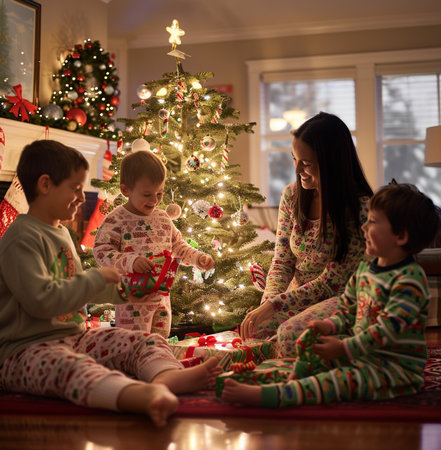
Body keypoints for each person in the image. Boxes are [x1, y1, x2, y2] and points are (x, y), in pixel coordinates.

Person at [0, 140, 220, 427]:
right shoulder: (21, 239)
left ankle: (166, 375)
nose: (82, 197)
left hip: (75, 337)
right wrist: (96, 278)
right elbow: (42, 300)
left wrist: (122, 292)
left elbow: (74, 285)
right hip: (26, 350)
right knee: (73, 369)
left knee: (143, 340)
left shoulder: (60, 233)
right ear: (45, 185)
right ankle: (137, 396)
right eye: (75, 188)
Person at [223, 183, 441, 408]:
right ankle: (292, 378)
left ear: (401, 236)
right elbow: (347, 311)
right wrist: (328, 326)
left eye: (373, 221)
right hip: (362, 355)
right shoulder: (366, 269)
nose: (364, 227)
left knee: (338, 381)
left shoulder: (409, 281)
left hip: (392, 369)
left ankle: (273, 397)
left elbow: (385, 331)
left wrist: (344, 348)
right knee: (310, 344)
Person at [241, 112, 373, 357]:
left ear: (331, 162)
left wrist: (275, 305)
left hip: (341, 299)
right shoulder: (292, 196)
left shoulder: (361, 208)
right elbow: (282, 261)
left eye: (307, 163)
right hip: (295, 298)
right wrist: (267, 303)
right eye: (294, 159)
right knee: (255, 330)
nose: (297, 169)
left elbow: (332, 281)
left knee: (291, 336)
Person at [93, 150, 214, 337]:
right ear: (126, 190)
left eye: (160, 193)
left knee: (160, 344)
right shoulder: (116, 219)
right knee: (134, 347)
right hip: (132, 301)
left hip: (161, 299)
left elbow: (178, 246)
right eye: (147, 194)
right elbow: (102, 252)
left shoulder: (163, 218)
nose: (155, 200)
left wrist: (198, 258)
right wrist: (130, 261)